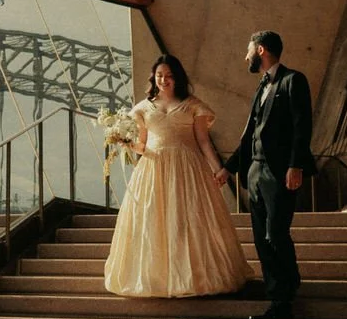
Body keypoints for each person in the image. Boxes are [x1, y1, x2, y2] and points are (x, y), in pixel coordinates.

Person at [103, 54, 253, 298]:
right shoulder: (142, 108)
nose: (164, 80)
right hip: (153, 169)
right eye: (160, 76)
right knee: (154, 221)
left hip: (188, 169)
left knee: (189, 220)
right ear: (154, 78)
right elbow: (142, 145)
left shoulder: (194, 105)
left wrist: (218, 169)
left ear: (178, 78)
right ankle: (156, 279)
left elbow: (204, 142)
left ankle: (195, 277)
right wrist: (126, 142)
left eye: (169, 76)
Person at [218, 30, 315, 319]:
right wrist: (230, 168)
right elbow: (250, 135)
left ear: (261, 50)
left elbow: (303, 125)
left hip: (279, 172)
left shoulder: (292, 80)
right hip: (255, 172)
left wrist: (295, 165)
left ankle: (282, 301)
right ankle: (282, 289)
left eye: (248, 50)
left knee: (276, 234)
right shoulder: (261, 86)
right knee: (262, 238)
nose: (245, 56)